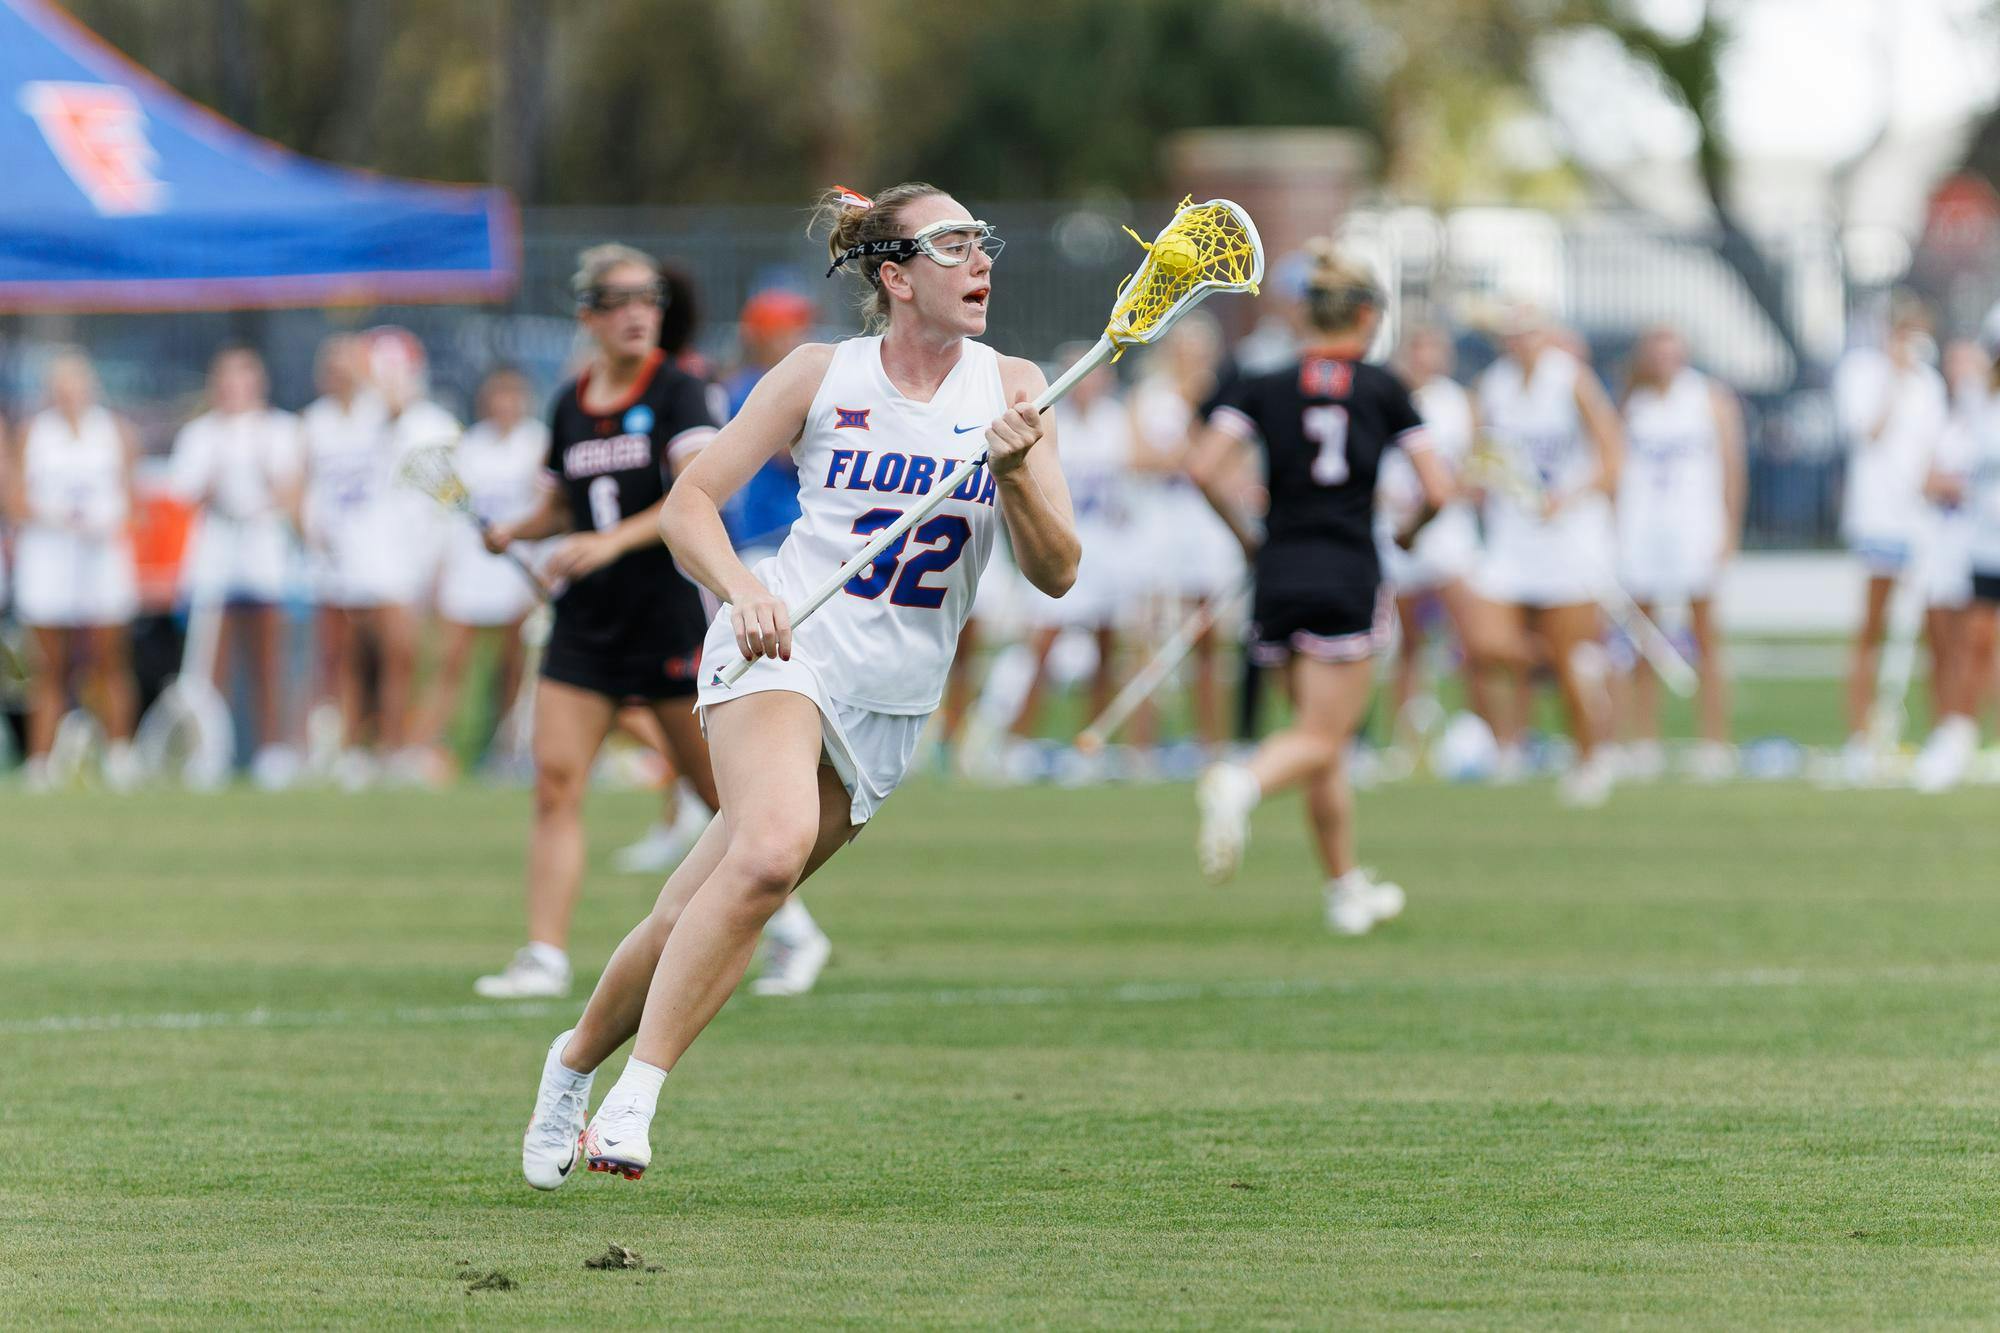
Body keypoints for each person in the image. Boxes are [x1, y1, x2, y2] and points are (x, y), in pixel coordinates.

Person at [510, 182, 1075, 1187]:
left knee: (698, 907)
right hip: (783, 647)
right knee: (766, 854)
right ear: (894, 276)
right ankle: (632, 1103)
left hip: (891, 701)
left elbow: (1057, 569)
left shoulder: (1015, 386)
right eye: (950, 246)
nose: (979, 259)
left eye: (981, 240)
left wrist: (1019, 473)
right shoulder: (820, 372)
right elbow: (688, 505)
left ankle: (568, 1065)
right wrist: (739, 590)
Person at [471, 245, 723, 1001]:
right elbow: (563, 503)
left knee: (720, 795)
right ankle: (544, 954)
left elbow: (693, 495)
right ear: (590, 316)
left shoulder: (680, 391)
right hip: (586, 622)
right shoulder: (571, 400)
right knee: (554, 782)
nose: (639, 312)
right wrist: (518, 530)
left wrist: (607, 542)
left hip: (666, 614)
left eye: (648, 297)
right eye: (619, 300)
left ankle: (792, 926)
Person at [1187, 244, 1452, 934]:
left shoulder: (1264, 383)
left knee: (1319, 739)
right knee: (1324, 735)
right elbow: (1439, 488)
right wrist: (1413, 533)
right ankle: (1240, 783)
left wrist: (1249, 534)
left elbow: (1203, 469)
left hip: (1278, 572)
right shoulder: (1383, 387)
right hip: (1345, 570)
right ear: (1365, 315)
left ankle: (1345, 890)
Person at [1465, 309, 1625, 806]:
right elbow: (1479, 456)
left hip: (1569, 538)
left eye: (1529, 331)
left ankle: (1589, 758)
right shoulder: (1492, 386)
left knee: (1570, 650)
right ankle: (1514, 740)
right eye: (1512, 334)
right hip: (1512, 539)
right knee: (1485, 643)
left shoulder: (1571, 379)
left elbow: (1612, 456)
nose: (1521, 342)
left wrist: (1570, 496)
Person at [169, 345, 304, 788]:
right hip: (216, 553)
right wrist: (213, 484)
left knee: (268, 659)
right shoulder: (201, 433)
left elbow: (290, 490)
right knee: (213, 659)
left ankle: (272, 751)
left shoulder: (280, 429)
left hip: (264, 551)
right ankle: (209, 752)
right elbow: (183, 490)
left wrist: (262, 490)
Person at [1613, 326, 1744, 780]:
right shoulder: (1634, 403)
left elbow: (1732, 467)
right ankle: (1643, 740)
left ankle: (1714, 741)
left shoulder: (1709, 399)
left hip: (1696, 528)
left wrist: (1729, 528)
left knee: (1706, 637)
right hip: (1643, 531)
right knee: (1642, 640)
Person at [8, 350, 142, 791]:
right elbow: (15, 498)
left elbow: (132, 497)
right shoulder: (34, 433)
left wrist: (103, 519)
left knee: (108, 660)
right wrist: (57, 517)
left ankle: (120, 753)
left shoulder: (113, 431)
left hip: (100, 554)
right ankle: (40, 761)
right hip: (49, 555)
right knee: (47, 665)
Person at [1832, 294, 1948, 778]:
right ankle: (1860, 732)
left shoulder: (1931, 384)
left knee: (1934, 629)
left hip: (1921, 521)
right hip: (1877, 516)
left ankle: (1938, 733)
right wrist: (1894, 381)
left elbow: (1936, 449)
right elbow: (1869, 432)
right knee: (1871, 629)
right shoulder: (1861, 373)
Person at [419, 367, 549, 769]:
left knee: (514, 665)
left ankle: (506, 746)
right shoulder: (469, 446)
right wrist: (441, 569)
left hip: (518, 566)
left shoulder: (538, 443)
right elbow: (452, 516)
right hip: (472, 567)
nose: (505, 405)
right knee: (451, 659)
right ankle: (431, 747)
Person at [1128, 314, 1242, 755]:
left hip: (1206, 528)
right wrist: (1187, 458)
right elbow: (1138, 457)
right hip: (1160, 525)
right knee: (1151, 635)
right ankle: (1143, 747)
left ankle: (1211, 743)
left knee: (1211, 638)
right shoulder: (1150, 395)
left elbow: (1230, 464)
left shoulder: (1220, 401)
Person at [1376, 324, 1490, 750]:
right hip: (1398, 531)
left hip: (1448, 531)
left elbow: (1474, 464)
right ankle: (1403, 740)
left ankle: (1480, 734)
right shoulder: (1388, 396)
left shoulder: (1459, 402)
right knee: (1407, 643)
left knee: (1470, 638)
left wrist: (1459, 487)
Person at [1009, 353, 1132, 746]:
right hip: (1065, 540)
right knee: (1042, 645)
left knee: (1107, 648)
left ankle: (1092, 740)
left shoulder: (1116, 421)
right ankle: (1019, 740)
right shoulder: (1050, 418)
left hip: (1110, 550)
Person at [297, 333, 396, 786]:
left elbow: (401, 406)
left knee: (388, 653)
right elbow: (301, 484)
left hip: (378, 549)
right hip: (332, 553)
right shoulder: (313, 422)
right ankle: (344, 742)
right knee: (339, 655)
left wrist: (369, 374)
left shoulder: (379, 412)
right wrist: (309, 529)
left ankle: (390, 744)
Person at [1914, 332, 1996, 791]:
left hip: (1984, 541)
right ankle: (1954, 734)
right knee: (1958, 644)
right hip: (1966, 547)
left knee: (1985, 643)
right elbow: (1927, 477)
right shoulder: (1953, 418)